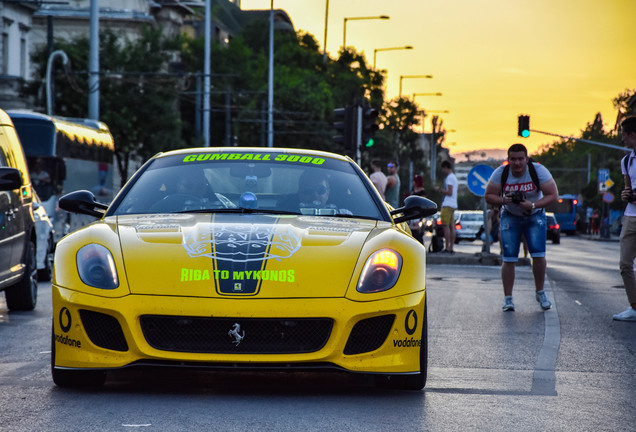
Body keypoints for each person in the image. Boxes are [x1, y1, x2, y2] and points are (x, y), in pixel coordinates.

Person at [484, 143, 558, 312]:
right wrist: (504, 200)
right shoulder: (501, 173)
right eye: (513, 159)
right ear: (508, 160)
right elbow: (488, 195)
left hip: (534, 215)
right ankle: (508, 298)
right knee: (509, 258)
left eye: (520, 159)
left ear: (527, 159)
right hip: (510, 216)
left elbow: (553, 195)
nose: (517, 163)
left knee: (538, 255)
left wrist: (532, 205)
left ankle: (540, 292)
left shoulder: (538, 171)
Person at [613, 115, 636, 321]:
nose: (623, 140)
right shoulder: (627, 160)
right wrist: (625, 194)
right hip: (630, 217)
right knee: (625, 264)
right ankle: (634, 307)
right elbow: (628, 188)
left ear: (632, 135)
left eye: (624, 136)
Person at [436, 160, 458, 253]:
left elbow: (449, 192)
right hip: (453, 204)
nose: (442, 171)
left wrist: (440, 189)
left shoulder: (449, 178)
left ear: (445, 167)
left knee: (445, 226)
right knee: (452, 226)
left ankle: (447, 247)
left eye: (443, 169)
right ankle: (451, 247)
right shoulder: (454, 177)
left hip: (447, 204)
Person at [407, 174, 427, 243]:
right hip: (412, 210)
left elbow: (423, 202)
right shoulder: (413, 189)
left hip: (417, 211)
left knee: (416, 225)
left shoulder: (422, 191)